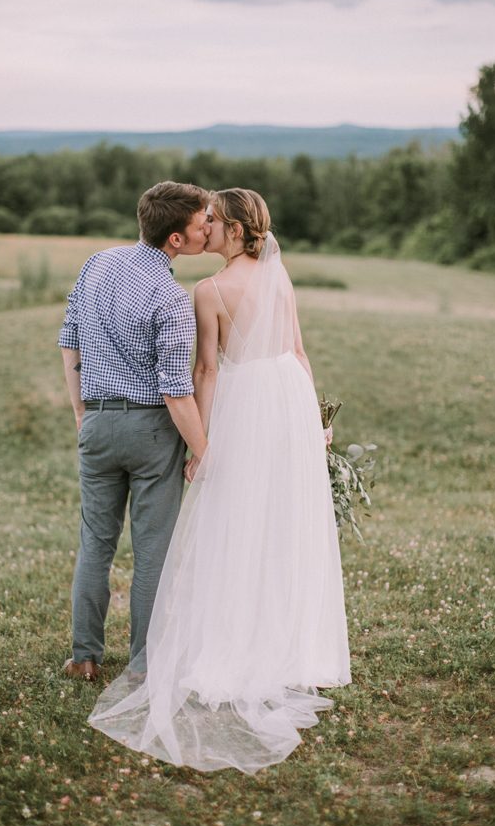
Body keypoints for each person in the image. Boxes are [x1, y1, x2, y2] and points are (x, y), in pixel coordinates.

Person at [89, 188, 351, 773]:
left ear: (233, 230)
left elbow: (206, 369)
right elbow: (301, 351)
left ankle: (235, 645)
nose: (206, 230)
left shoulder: (207, 292)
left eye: (214, 222)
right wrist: (314, 417)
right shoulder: (281, 278)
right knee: (281, 526)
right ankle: (284, 646)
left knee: (233, 522)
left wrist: (201, 444)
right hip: (285, 400)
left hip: (245, 408)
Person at [58, 181, 210, 682]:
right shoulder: (172, 299)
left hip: (98, 422)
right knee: (151, 553)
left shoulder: (97, 264)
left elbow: (69, 340)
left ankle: (84, 657)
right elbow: (175, 390)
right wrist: (203, 450)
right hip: (150, 433)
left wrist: (82, 412)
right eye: (199, 223)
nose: (206, 228)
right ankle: (145, 666)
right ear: (176, 240)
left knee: (95, 544)